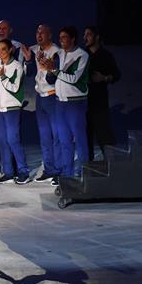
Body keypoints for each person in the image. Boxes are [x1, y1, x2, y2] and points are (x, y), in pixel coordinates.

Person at [45, 26, 90, 179]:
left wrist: (55, 71)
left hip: (75, 103)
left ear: (72, 39)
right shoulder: (60, 54)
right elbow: (54, 78)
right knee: (64, 140)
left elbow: (74, 79)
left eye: (64, 37)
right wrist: (49, 69)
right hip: (60, 103)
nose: (61, 40)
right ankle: (67, 174)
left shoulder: (82, 56)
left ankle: (85, 173)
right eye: (60, 37)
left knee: (79, 139)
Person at [20, 24, 62, 182]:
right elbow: (30, 74)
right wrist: (29, 60)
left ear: (49, 35)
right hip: (40, 97)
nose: (39, 35)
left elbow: (55, 76)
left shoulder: (56, 51)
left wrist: (48, 66)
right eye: (37, 32)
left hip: (53, 96)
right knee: (44, 136)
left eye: (42, 32)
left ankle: (59, 170)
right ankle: (49, 169)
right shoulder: (34, 49)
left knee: (56, 135)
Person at [0, 39, 31, 184]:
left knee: (13, 140)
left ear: (10, 49)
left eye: (3, 49)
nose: (0, 52)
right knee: (2, 142)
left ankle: (23, 171)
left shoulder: (17, 66)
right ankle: (8, 172)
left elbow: (14, 88)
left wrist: (2, 76)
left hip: (12, 109)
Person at [83, 26, 120, 160]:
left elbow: (116, 75)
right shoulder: (82, 55)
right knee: (85, 136)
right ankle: (88, 167)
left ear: (97, 37)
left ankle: (112, 166)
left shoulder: (106, 55)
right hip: (83, 102)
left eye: (88, 34)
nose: (85, 37)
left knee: (104, 135)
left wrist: (104, 78)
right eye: (84, 34)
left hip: (100, 102)